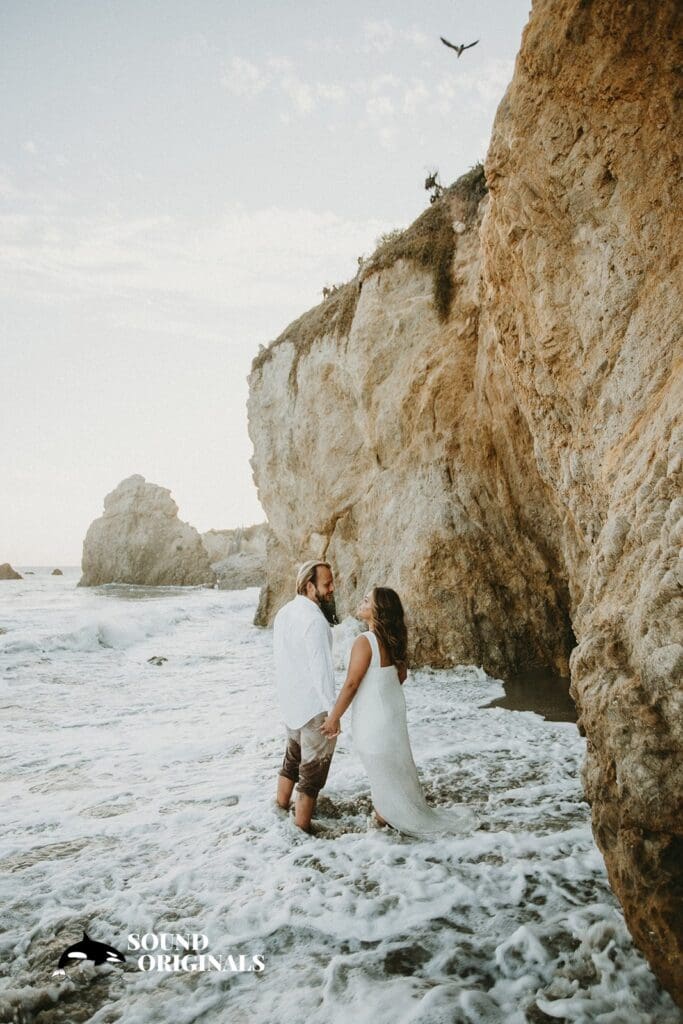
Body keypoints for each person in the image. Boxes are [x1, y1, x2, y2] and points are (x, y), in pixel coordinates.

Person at [320, 587, 479, 836]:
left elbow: (351, 684)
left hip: (373, 720)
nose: (361, 602)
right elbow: (398, 678)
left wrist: (333, 718)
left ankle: (388, 820)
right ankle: (386, 818)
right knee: (389, 769)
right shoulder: (392, 642)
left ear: (378, 611)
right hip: (391, 717)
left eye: (366, 600)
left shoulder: (365, 641)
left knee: (379, 768)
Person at [273, 559, 339, 833]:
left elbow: (283, 660)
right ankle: (301, 830)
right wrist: (333, 714)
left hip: (291, 704)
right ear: (310, 587)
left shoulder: (284, 613)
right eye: (327, 584)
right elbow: (321, 670)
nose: (332, 589)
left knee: (292, 761)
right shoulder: (315, 620)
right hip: (314, 708)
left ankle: (279, 807)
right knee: (312, 774)